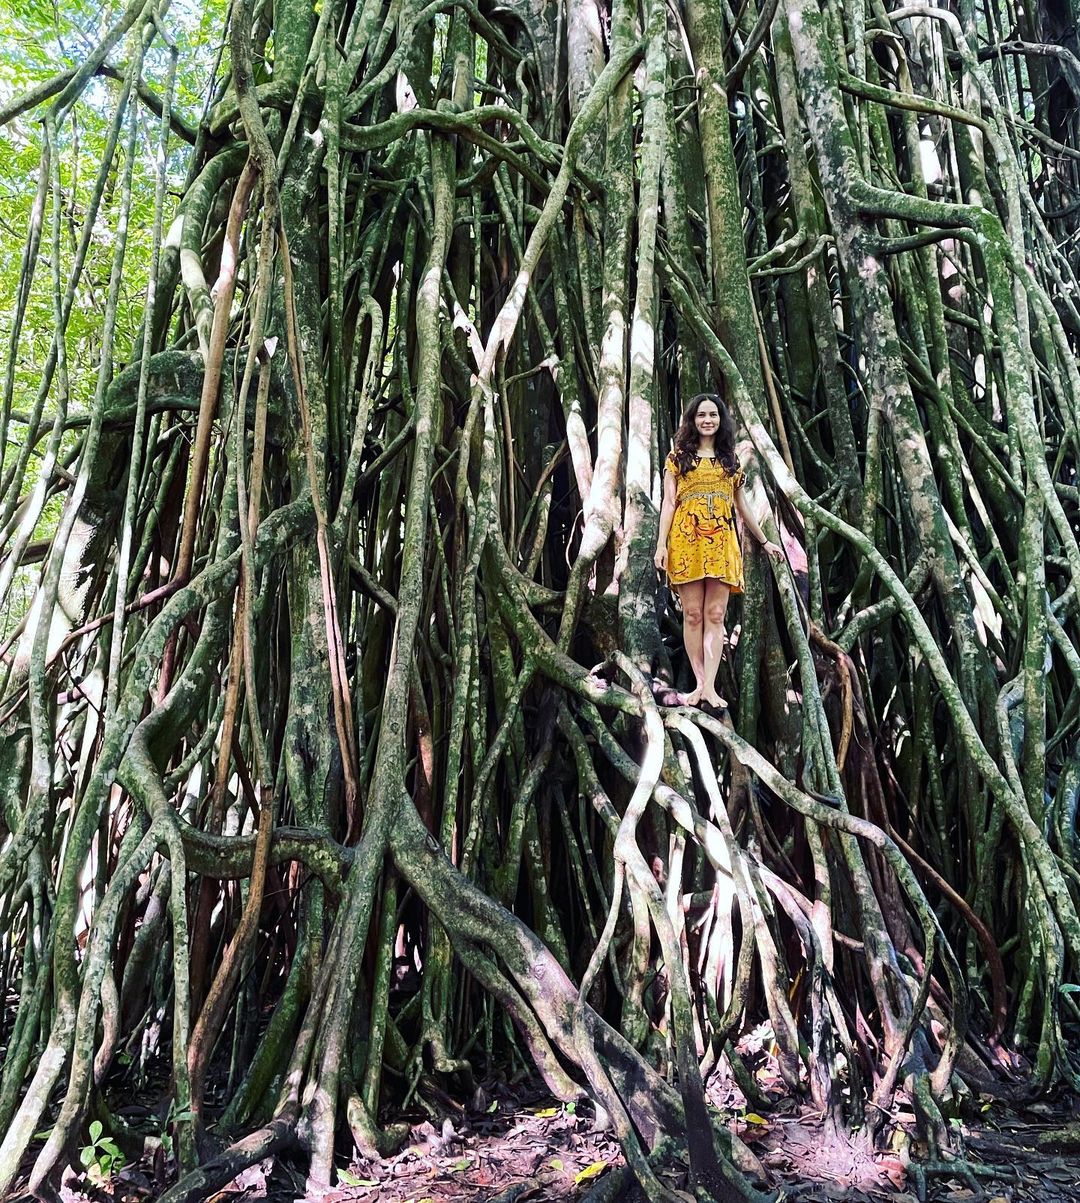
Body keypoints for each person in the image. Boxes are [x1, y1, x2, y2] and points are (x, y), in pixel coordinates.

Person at [653, 392, 782, 708]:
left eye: (712, 414)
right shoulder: (678, 458)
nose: (707, 420)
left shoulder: (731, 462)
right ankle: (698, 684)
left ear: (721, 419)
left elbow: (742, 506)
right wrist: (661, 544)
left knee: (715, 613)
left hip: (722, 545)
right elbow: (669, 503)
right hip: (686, 543)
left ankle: (709, 687)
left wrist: (764, 541)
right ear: (693, 421)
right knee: (693, 614)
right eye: (701, 415)